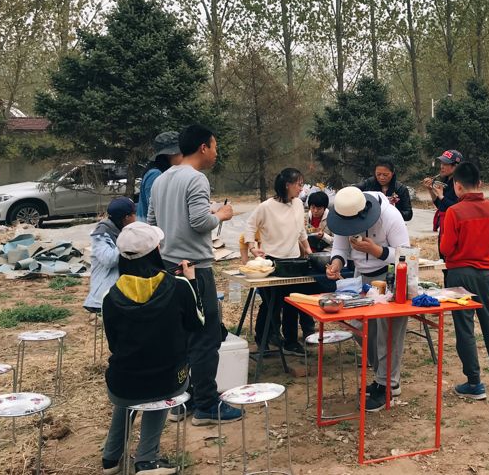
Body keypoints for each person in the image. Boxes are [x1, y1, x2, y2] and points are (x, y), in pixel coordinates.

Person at [147, 124, 239, 426]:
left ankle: (180, 400)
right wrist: (221, 214)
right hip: (195, 270)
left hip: (169, 267)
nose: (216, 152)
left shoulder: (161, 180)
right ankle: (207, 405)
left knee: (181, 336)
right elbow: (200, 222)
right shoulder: (196, 178)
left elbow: (152, 223)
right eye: (215, 146)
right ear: (203, 147)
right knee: (206, 336)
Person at [100, 221, 204, 475]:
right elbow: (197, 323)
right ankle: (147, 460)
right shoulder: (179, 286)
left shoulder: (109, 297)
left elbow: (114, 344)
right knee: (159, 385)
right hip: (167, 379)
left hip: (121, 383)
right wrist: (192, 282)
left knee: (131, 383)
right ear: (156, 251)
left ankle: (111, 458)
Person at [324, 186, 409, 412]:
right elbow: (340, 248)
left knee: (388, 332)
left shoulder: (390, 216)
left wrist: (377, 250)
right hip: (361, 279)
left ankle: (386, 384)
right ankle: (384, 377)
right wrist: (336, 264)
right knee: (360, 328)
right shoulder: (345, 212)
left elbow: (405, 254)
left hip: (389, 277)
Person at [439, 162, 489, 399]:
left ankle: (474, 383)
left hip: (459, 274)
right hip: (484, 274)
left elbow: (446, 248)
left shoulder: (454, 212)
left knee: (465, 328)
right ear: (480, 183)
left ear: (457, 186)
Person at [243, 168, 318, 356]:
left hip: (294, 261)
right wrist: (252, 248)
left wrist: (309, 252)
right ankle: (263, 339)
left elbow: (301, 231)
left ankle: (291, 342)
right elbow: (250, 226)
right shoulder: (266, 207)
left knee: (293, 302)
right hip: (272, 261)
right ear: (287, 185)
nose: (301, 188)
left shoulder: (298, 204)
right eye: (299, 184)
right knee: (271, 303)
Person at [84, 197, 137, 313]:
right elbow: (109, 259)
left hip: (123, 292)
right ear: (127, 217)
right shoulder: (100, 234)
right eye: (134, 214)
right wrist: (130, 243)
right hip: (105, 295)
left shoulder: (123, 230)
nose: (136, 218)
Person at [422, 149, 462, 255]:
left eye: (446, 164)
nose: (442, 167)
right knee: (442, 255)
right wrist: (430, 190)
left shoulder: (459, 184)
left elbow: (458, 209)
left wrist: (441, 196)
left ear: (455, 166)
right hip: (444, 224)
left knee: (449, 253)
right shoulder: (446, 180)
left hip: (454, 226)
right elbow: (441, 206)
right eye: (441, 163)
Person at [136, 131, 183, 222]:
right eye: (180, 153)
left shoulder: (165, 172)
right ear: (169, 155)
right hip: (149, 228)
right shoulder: (155, 174)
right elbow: (157, 209)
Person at [356, 157, 413, 221]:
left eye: (385, 175)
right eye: (378, 174)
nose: (381, 177)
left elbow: (408, 214)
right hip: (371, 223)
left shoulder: (401, 189)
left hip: (392, 222)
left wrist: (393, 212)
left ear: (392, 173)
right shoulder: (368, 184)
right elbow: (353, 190)